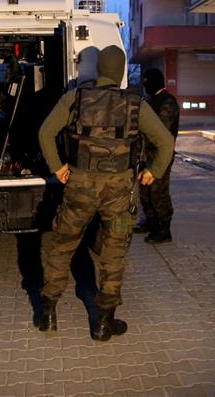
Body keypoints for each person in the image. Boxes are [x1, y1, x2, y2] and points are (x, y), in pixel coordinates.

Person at [37, 45, 174, 341]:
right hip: (119, 193)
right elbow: (165, 142)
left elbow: (45, 132)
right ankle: (103, 324)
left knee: (63, 245)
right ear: (120, 71)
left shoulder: (76, 97)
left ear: (99, 68)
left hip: (79, 186)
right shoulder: (136, 104)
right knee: (114, 251)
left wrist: (58, 167)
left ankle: (48, 312)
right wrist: (153, 171)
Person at [136, 67, 179, 244]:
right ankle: (151, 221)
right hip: (145, 154)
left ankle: (163, 228)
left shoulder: (167, 102)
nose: (145, 87)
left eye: (147, 84)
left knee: (158, 192)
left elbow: (160, 129)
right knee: (145, 191)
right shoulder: (149, 100)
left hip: (160, 155)